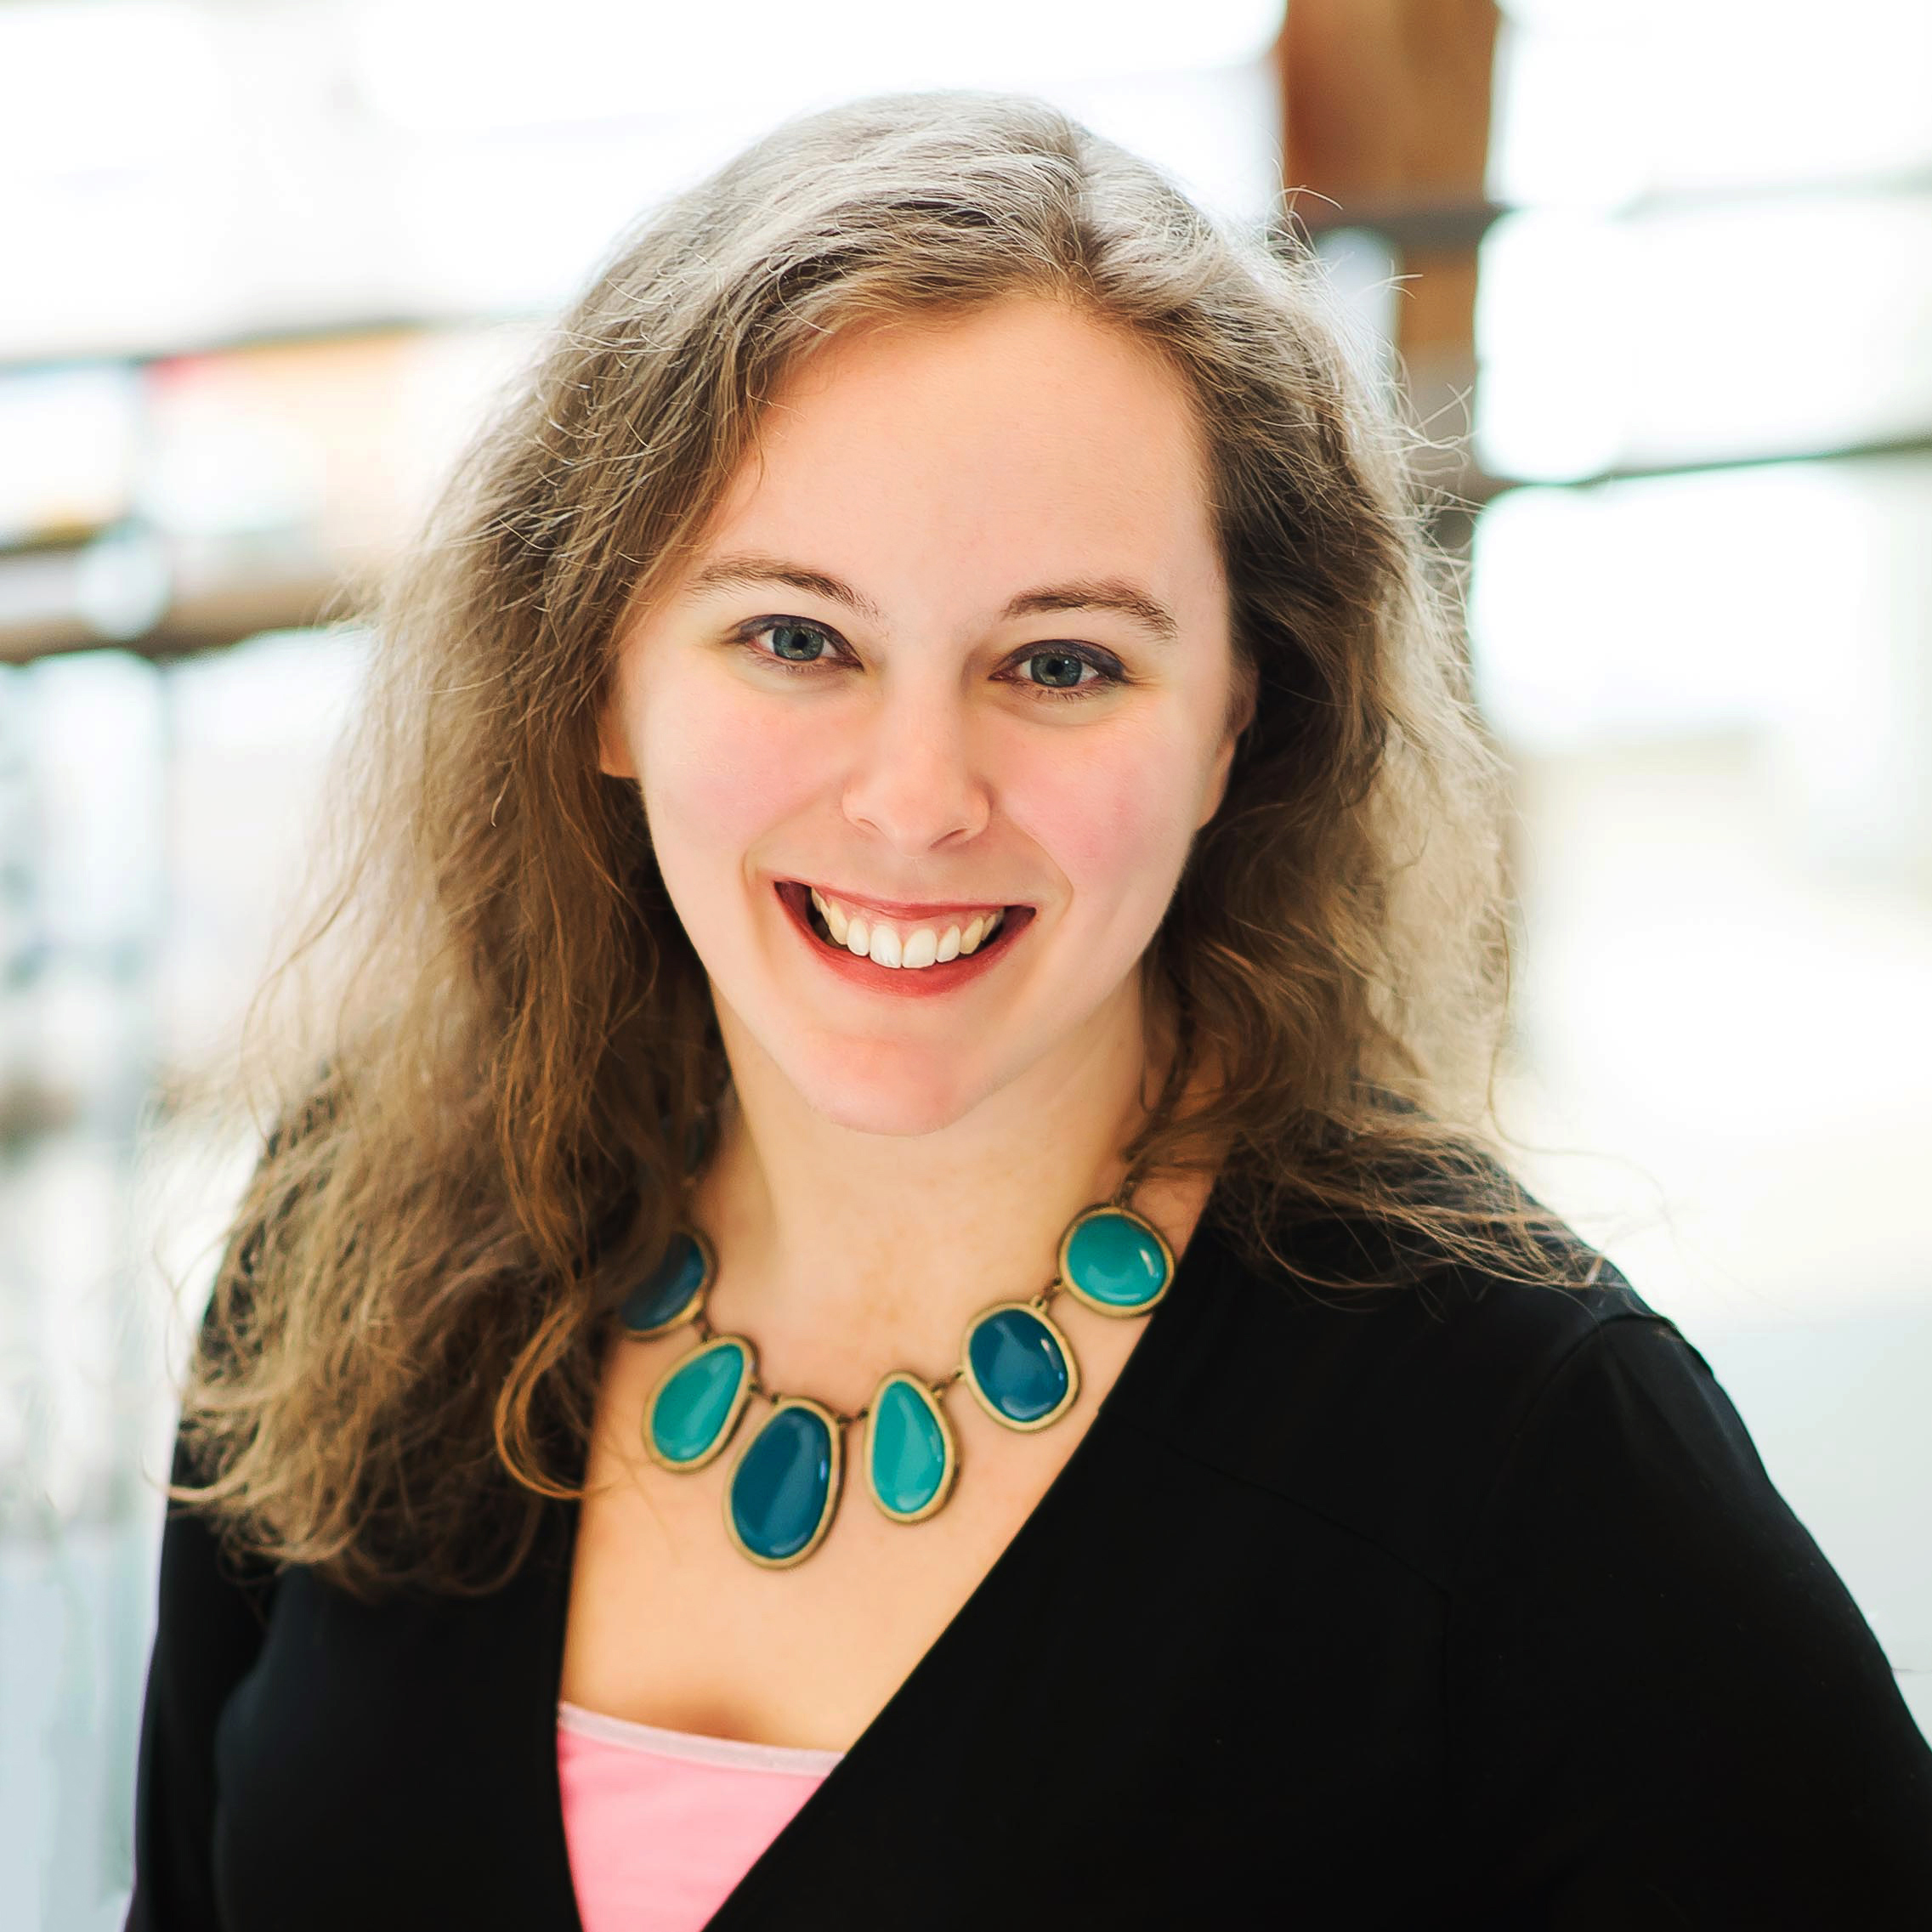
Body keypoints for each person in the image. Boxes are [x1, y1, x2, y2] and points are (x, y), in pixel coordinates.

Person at [127, 91, 1932, 1930]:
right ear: (601, 679)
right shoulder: (371, 1212)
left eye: (1063, 661)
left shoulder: (1529, 1444)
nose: (918, 798)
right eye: (796, 639)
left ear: (1242, 721)